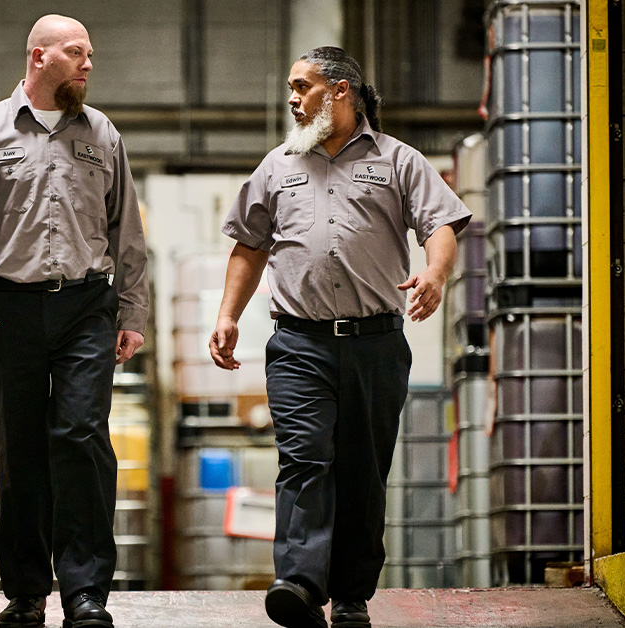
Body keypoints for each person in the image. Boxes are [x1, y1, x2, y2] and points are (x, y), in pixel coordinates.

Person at [209, 47, 470, 628]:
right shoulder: (277, 166)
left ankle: (351, 594)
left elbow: (441, 224)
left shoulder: (398, 160)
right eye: (291, 89)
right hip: (298, 343)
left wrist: (435, 272)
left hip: (375, 344)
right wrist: (228, 314)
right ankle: (299, 583)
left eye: (302, 87)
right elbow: (248, 247)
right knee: (304, 459)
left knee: (362, 467)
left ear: (341, 91)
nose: (293, 99)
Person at [0, 14, 148, 628]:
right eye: (76, 53)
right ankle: (27, 591)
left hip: (85, 305)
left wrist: (131, 310)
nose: (87, 64)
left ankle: (86, 593)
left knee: (82, 437)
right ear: (39, 58)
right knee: (20, 445)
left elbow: (126, 230)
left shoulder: (101, 133)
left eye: (89, 54)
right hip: (8, 308)